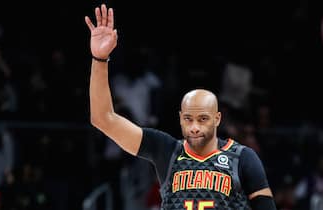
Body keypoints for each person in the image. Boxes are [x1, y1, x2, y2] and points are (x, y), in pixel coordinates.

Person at [85, 4, 277, 210]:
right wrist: (100, 59)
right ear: (180, 118)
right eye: (188, 119)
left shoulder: (243, 157)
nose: (194, 126)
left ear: (217, 118)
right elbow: (103, 119)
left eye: (203, 118)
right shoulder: (166, 150)